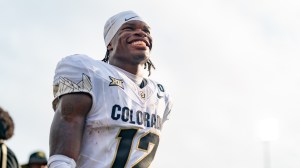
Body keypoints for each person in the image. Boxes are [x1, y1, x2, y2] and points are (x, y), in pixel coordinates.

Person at [48, 10, 172, 168]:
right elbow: (68, 122)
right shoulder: (89, 71)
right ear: (110, 43)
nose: (141, 33)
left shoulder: (161, 96)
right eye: (129, 28)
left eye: (146, 30)